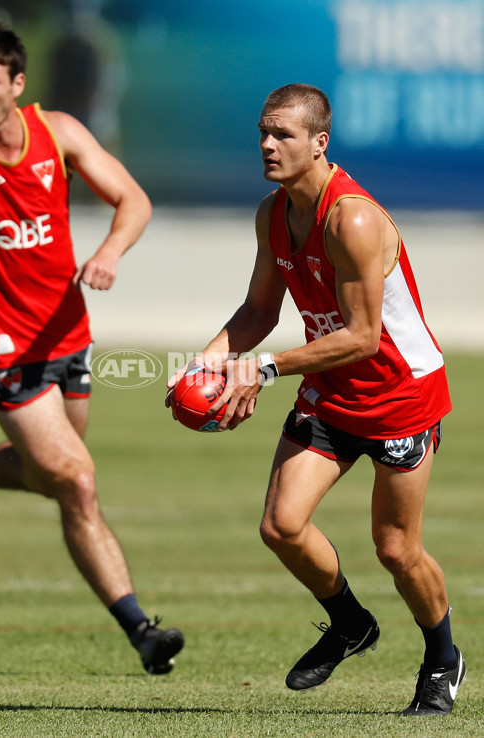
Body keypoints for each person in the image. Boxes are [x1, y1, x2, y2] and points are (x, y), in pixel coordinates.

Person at [167, 83, 464, 715]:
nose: (267, 145)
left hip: (398, 396)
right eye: (263, 133)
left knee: (396, 548)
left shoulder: (351, 218)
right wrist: (206, 362)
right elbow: (257, 310)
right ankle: (351, 624)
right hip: (329, 392)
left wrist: (263, 369)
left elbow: (361, 338)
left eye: (283, 134)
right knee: (281, 526)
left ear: (319, 142)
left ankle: (442, 656)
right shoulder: (273, 213)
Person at [0, 23, 184, 676]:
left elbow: (133, 199)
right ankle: (142, 630)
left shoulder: (58, 132)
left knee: (49, 475)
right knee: (77, 482)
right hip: (2, 349)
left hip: (67, 338)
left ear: (17, 84)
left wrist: (108, 252)